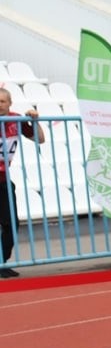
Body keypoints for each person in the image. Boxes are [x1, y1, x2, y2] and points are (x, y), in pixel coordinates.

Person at [0, 86, 45, 278]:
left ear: (10, 103)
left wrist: (35, 121)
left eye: (2, 101)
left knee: (11, 223)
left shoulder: (15, 119)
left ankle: (2, 262)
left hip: (3, 180)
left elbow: (40, 139)